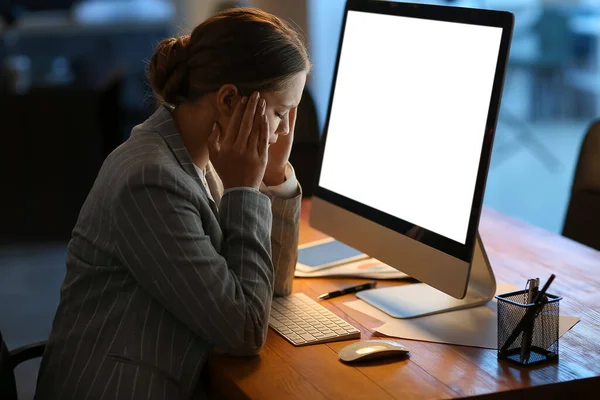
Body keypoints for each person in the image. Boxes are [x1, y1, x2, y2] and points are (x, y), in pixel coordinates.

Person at [34, 8, 310, 400]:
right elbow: (245, 330)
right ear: (229, 99)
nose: (284, 129)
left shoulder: (203, 154)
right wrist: (245, 191)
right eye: (281, 113)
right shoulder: (151, 180)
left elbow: (273, 291)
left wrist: (275, 175)